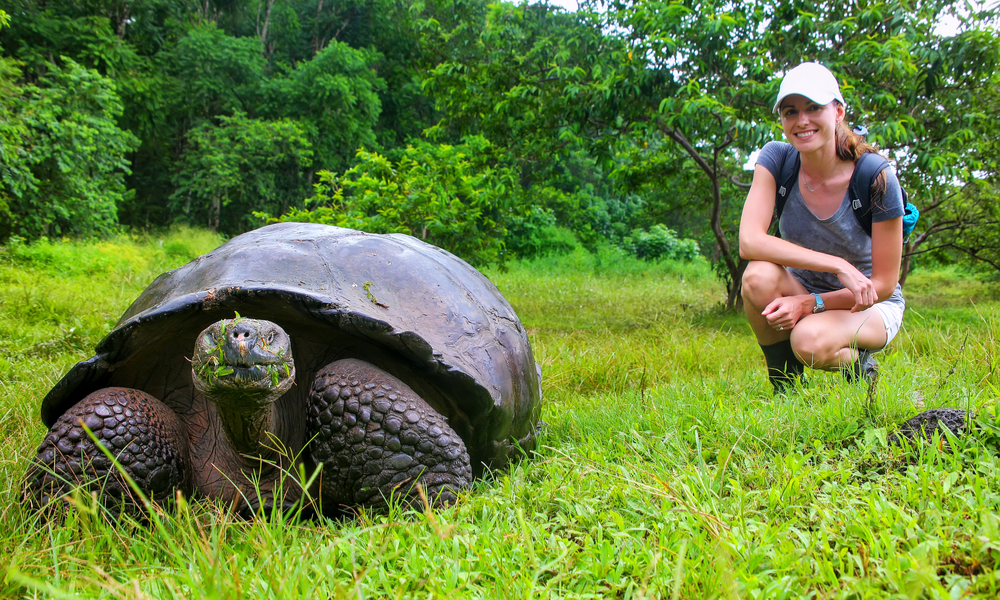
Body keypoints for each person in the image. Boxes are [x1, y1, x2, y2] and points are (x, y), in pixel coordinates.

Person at [738, 62, 906, 394]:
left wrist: (810, 304)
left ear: (838, 111)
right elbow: (749, 241)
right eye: (790, 111)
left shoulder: (875, 176)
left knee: (808, 340)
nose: (801, 121)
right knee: (757, 277)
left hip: (868, 305)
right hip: (805, 286)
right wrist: (838, 265)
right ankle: (786, 387)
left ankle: (860, 368)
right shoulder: (777, 160)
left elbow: (883, 285)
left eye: (813, 107)